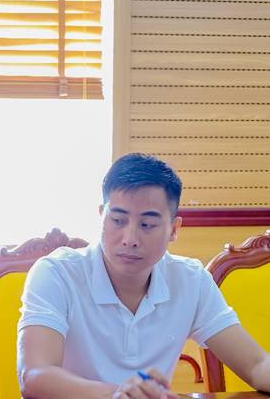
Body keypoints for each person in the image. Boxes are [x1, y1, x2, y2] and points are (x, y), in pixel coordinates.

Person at [17, 153, 270, 398]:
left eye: (147, 225)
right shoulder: (57, 273)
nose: (130, 239)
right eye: (118, 220)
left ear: (173, 229)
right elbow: (35, 376)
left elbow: (256, 365)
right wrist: (116, 395)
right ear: (101, 217)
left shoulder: (190, 280)